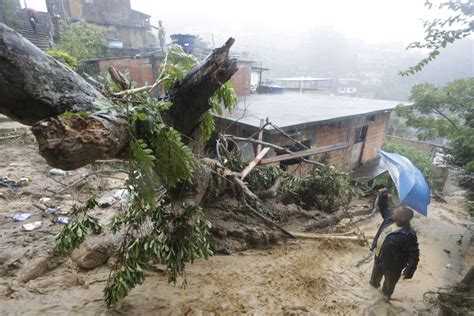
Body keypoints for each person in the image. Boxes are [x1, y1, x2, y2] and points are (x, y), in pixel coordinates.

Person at [369, 188, 420, 300]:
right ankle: (372, 291)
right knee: (374, 281)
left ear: (402, 217)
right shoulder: (390, 219)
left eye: (397, 211)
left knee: (388, 286)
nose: (394, 211)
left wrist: (409, 271)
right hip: (379, 258)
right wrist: (383, 196)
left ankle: (385, 298)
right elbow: (384, 208)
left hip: (393, 267)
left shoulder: (409, 235)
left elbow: (414, 254)